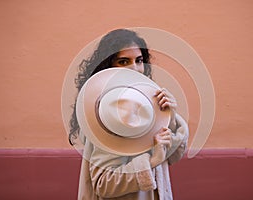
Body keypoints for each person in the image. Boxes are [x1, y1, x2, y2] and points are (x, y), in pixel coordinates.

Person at [69, 29, 189, 199]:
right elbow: (103, 183)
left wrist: (170, 117)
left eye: (139, 60)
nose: (134, 68)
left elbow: (172, 157)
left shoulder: (147, 103)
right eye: (124, 61)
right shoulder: (107, 112)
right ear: (108, 66)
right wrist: (151, 162)